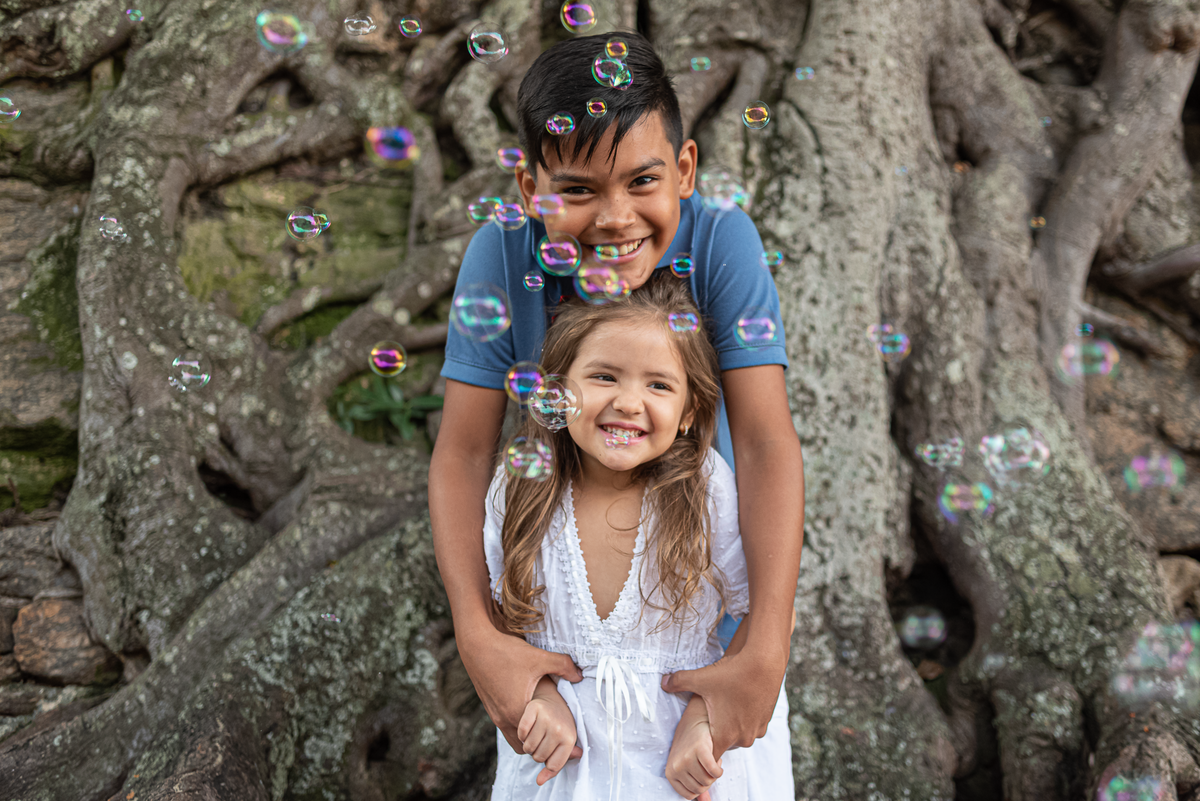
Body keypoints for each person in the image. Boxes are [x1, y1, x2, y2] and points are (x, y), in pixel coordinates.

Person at [429, 30, 804, 769]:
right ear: (530, 189)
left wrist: (763, 649)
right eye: (577, 190)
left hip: (704, 642)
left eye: (641, 181)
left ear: (685, 168)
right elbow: (465, 449)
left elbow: (765, 443)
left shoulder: (723, 241)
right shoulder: (503, 254)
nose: (614, 218)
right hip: (562, 663)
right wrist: (481, 639)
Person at [485, 275, 794, 799]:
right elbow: (494, 611)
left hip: (676, 763)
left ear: (690, 411)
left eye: (658, 385)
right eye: (605, 376)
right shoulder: (518, 487)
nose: (629, 402)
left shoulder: (705, 490)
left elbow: (763, 613)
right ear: (558, 391)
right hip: (561, 769)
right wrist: (536, 694)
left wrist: (706, 717)